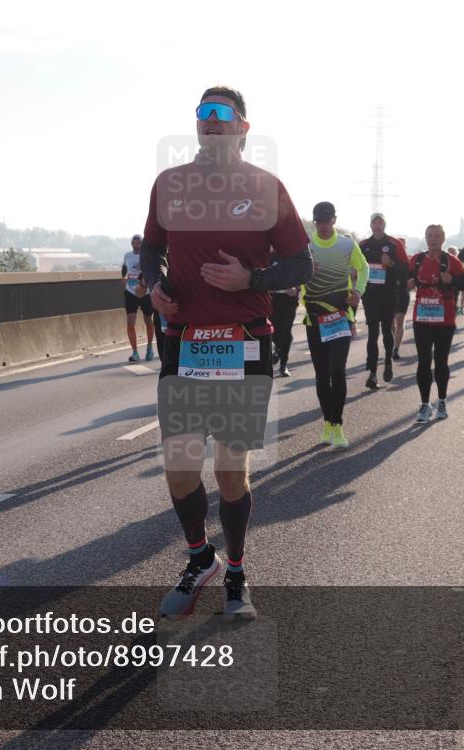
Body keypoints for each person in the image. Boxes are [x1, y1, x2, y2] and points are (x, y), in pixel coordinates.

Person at [140, 86, 312, 620]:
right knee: (180, 468)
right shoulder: (170, 186)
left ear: (243, 127)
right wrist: (154, 285)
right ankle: (201, 558)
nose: (211, 123)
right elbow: (150, 249)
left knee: (230, 470)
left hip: (244, 340)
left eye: (222, 115)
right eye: (203, 115)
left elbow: (300, 265)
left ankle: (236, 574)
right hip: (185, 340)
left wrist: (251, 278)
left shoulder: (266, 188)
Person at [302, 202, 368, 446]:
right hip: (314, 318)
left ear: (334, 220)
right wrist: (307, 272)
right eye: (319, 221)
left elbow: (364, 269)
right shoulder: (305, 246)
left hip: (340, 316)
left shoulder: (347, 244)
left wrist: (358, 292)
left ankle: (338, 426)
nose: (323, 226)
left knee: (337, 370)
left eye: (327, 221)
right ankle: (327, 423)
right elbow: (296, 276)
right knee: (321, 373)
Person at [407, 224, 464, 423]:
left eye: (437, 236)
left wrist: (451, 279)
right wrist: (407, 284)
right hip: (423, 318)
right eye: (430, 236)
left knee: (441, 362)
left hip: (445, 319)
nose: (433, 239)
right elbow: (407, 282)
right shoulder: (416, 260)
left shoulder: (452, 261)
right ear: (426, 238)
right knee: (424, 362)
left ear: (443, 239)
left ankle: (441, 401)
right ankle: (425, 405)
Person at [358, 212, 408, 388]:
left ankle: (388, 361)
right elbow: (355, 268)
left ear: (384, 225)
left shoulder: (395, 244)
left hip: (388, 294)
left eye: (380, 223)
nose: (377, 226)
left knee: (387, 331)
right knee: (372, 333)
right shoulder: (363, 245)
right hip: (370, 295)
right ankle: (372, 373)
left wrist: (392, 263)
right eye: (375, 223)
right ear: (371, 225)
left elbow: (406, 271)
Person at [122, 234, 156, 361]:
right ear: (132, 244)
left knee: (148, 321)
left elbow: (151, 271)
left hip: (145, 292)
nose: (136, 245)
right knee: (130, 322)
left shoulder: (146, 255)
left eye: (138, 242)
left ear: (142, 244)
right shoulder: (127, 255)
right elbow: (124, 269)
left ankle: (149, 347)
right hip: (130, 292)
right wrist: (123, 278)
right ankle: (135, 352)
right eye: (134, 242)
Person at [269, 252, 299, 377]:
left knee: (286, 332)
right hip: (273, 300)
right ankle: (276, 351)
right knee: (274, 332)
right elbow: (261, 275)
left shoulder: (294, 257)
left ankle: (283, 365)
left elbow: (303, 276)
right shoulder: (269, 257)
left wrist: (296, 289)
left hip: (289, 300)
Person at [392, 235, 411, 359]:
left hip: (403, 293)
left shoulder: (409, 261)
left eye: (403, 244)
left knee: (399, 320)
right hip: (389, 293)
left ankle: (396, 348)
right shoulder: (389, 259)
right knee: (390, 324)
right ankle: (393, 342)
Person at [447, 245, 464, 315]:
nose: (451, 254)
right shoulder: (443, 262)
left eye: (453, 252)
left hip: (456, 284)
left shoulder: (459, 262)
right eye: (450, 252)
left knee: (454, 298)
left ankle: (456, 310)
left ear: (456, 253)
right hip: (446, 285)